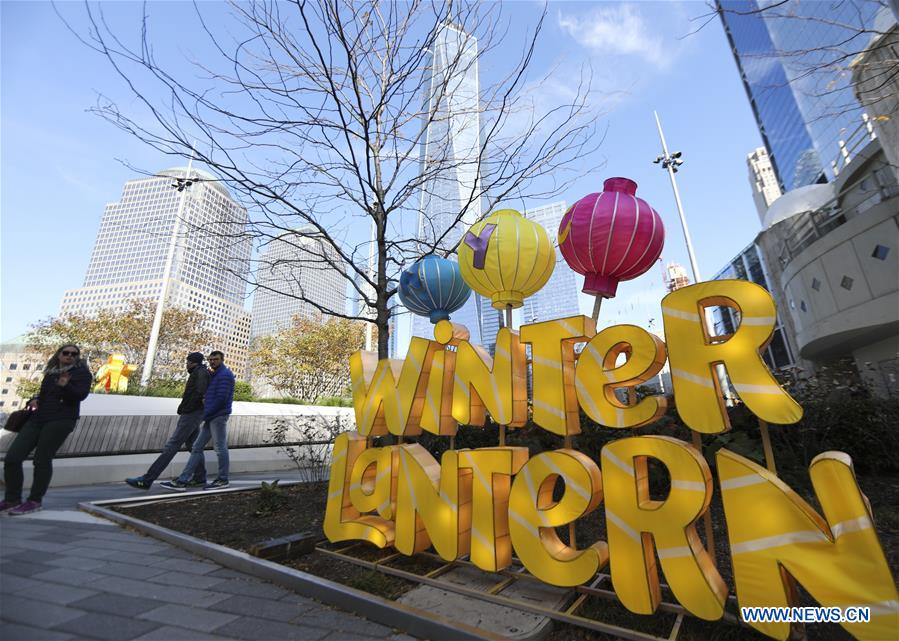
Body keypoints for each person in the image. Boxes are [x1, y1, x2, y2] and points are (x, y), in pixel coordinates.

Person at [1, 344, 92, 515]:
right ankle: (12, 499)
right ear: (59, 354)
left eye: (74, 354)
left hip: (61, 419)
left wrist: (65, 385)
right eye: (66, 353)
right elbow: (44, 394)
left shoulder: (81, 373)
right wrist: (33, 400)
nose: (70, 356)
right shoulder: (51, 373)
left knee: (42, 459)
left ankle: (34, 501)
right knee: (13, 457)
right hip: (38, 418)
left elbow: (80, 395)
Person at [124, 352, 210, 490]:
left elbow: (201, 393)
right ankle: (200, 477)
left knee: (172, 445)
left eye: (187, 362)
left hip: (191, 413)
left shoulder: (200, 373)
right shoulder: (200, 372)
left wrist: (189, 408)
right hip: (193, 413)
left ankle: (147, 479)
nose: (186, 364)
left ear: (192, 362)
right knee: (193, 445)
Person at [161, 350, 234, 491]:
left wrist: (207, 412)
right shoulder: (215, 374)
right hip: (211, 416)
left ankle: (223, 479)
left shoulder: (225, 375)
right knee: (196, 447)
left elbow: (221, 399)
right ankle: (184, 480)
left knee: (220, 448)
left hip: (218, 416)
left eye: (216, 359)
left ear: (222, 360)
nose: (212, 362)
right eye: (210, 359)